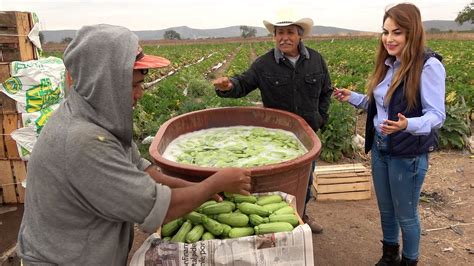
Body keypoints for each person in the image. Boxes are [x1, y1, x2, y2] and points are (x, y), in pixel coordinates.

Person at [17, 24, 252, 265]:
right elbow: (158, 208)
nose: (139, 93)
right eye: (131, 86)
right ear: (99, 82)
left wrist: (197, 187)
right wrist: (215, 183)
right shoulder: (83, 140)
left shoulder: (100, 116)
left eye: (141, 84)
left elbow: (144, 172)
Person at [334, 3, 446, 266]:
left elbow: (437, 115)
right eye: (385, 32)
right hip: (382, 148)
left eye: (397, 32)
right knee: (386, 211)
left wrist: (407, 125)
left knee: (406, 215)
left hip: (407, 153)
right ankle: (389, 256)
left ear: (412, 33)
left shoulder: (428, 66)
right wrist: (354, 98)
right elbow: (380, 107)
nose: (389, 38)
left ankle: (409, 261)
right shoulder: (388, 64)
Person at [212, 16, 332, 234]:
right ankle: (275, 224)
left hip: (307, 135)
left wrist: (320, 118)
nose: (284, 38)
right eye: (279, 33)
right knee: (277, 183)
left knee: (305, 180)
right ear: (274, 36)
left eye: (290, 33)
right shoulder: (264, 64)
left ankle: (302, 215)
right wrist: (228, 86)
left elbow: (326, 91)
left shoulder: (316, 60)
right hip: (277, 138)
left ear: (299, 35)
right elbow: (243, 83)